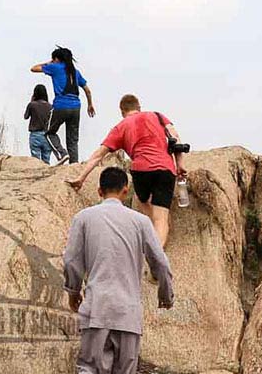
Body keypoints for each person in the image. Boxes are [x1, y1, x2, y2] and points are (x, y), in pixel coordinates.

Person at [64, 167, 174, 374]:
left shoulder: (84, 218)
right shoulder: (140, 222)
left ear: (99, 191)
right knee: (124, 371)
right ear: (126, 190)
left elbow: (71, 262)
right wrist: (165, 294)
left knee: (90, 365)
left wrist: (73, 291)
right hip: (128, 312)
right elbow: (159, 261)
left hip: (97, 307)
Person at [67, 94, 186, 247]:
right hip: (164, 168)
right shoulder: (157, 116)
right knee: (161, 218)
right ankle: (157, 248)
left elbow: (98, 155)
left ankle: (154, 226)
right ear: (139, 108)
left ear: (122, 111)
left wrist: (81, 178)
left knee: (142, 199)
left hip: (140, 171)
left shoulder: (121, 127)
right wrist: (180, 164)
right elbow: (175, 138)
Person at [30, 47, 95, 165]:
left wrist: (49, 63)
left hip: (60, 105)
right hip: (76, 107)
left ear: (56, 59)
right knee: (73, 139)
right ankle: (74, 164)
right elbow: (87, 90)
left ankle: (62, 154)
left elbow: (33, 69)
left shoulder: (55, 67)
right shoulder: (76, 72)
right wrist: (90, 105)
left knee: (48, 132)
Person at [24, 84, 53, 164]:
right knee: (46, 160)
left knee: (35, 161)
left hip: (35, 135)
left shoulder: (32, 105)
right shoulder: (50, 106)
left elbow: (26, 116)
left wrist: (31, 101)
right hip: (47, 136)